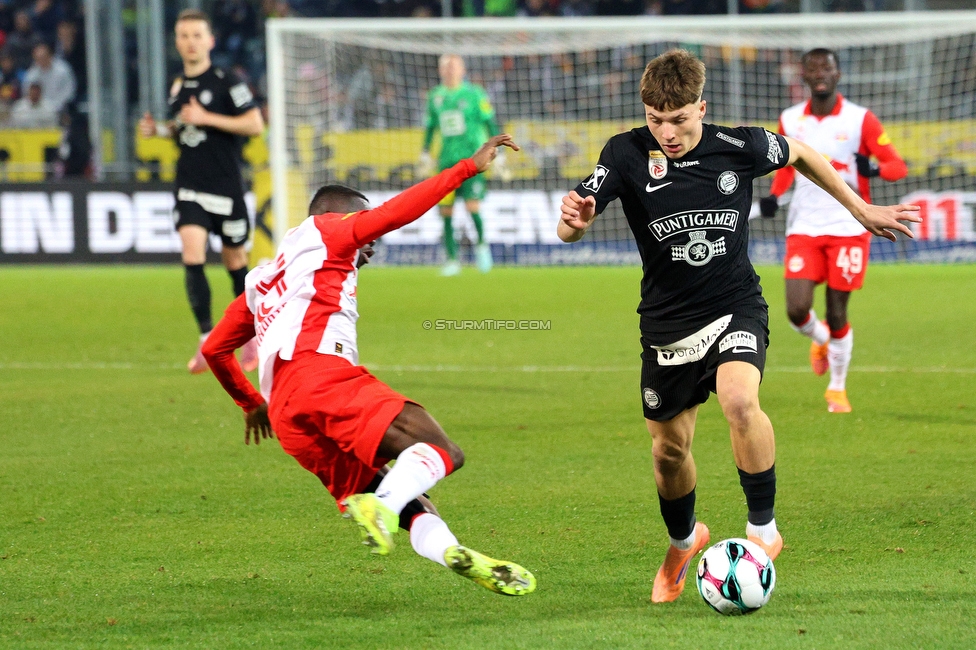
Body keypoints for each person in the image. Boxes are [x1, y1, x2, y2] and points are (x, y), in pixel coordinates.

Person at [557, 49, 918, 604]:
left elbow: (801, 153)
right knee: (668, 453)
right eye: (656, 119)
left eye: (678, 119)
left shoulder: (737, 146)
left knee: (740, 401)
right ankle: (684, 541)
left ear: (702, 107)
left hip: (734, 306)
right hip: (666, 324)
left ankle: (763, 532)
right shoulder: (625, 153)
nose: (667, 132)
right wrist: (574, 224)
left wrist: (860, 210)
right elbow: (576, 222)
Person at [201, 134, 536, 596]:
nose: (372, 243)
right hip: (320, 375)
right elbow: (399, 210)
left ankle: (451, 551)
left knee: (409, 498)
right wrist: (467, 168)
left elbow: (217, 348)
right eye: (367, 230)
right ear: (342, 214)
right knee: (443, 452)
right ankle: (380, 505)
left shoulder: (264, 275)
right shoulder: (332, 230)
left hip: (287, 415)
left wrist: (249, 403)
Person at [759, 48, 908, 414]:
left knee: (837, 311)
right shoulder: (790, 119)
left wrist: (871, 171)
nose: (820, 74)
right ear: (804, 77)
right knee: (796, 310)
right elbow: (784, 165)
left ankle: (837, 389)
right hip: (805, 226)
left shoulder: (861, 120)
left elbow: (897, 166)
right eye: (813, 69)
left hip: (850, 225)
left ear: (838, 74)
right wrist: (774, 197)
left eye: (827, 68)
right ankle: (821, 338)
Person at [138, 9, 264, 374]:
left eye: (196, 35)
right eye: (183, 36)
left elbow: (255, 123)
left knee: (234, 262)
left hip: (226, 186)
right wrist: (159, 132)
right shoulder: (177, 86)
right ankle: (207, 340)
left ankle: (251, 336)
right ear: (177, 42)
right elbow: (184, 130)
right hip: (189, 184)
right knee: (192, 253)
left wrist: (207, 117)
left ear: (210, 41)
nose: (190, 42)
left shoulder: (229, 81)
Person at [419, 53, 508, 276]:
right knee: (446, 211)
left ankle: (481, 249)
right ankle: (451, 260)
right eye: (446, 66)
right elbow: (430, 127)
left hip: (473, 161)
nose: (450, 70)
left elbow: (490, 122)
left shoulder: (475, 94)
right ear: (440, 70)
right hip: (446, 162)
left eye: (454, 66)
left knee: (472, 207)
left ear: (463, 70)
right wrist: (425, 153)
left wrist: (499, 152)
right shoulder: (435, 96)